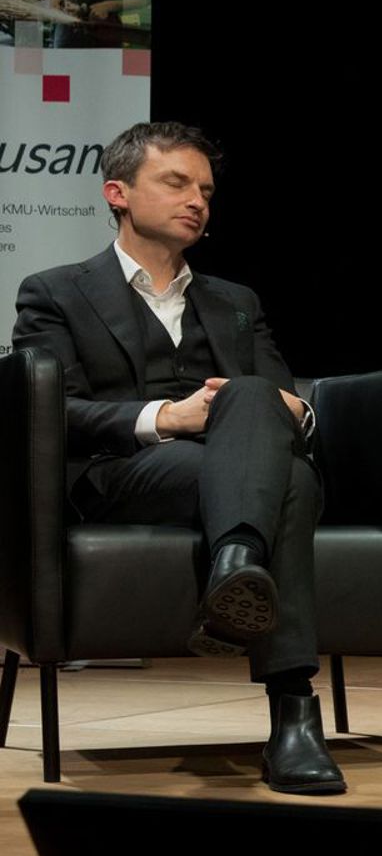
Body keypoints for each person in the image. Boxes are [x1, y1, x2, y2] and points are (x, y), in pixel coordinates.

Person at [12, 122, 342, 796]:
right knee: (291, 482)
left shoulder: (236, 302)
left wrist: (288, 410)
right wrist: (167, 417)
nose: (197, 200)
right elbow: (50, 410)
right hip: (120, 470)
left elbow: (285, 401)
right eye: (177, 183)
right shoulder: (55, 292)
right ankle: (293, 714)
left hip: (231, 463)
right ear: (118, 194)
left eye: (207, 191)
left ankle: (237, 567)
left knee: (256, 409)